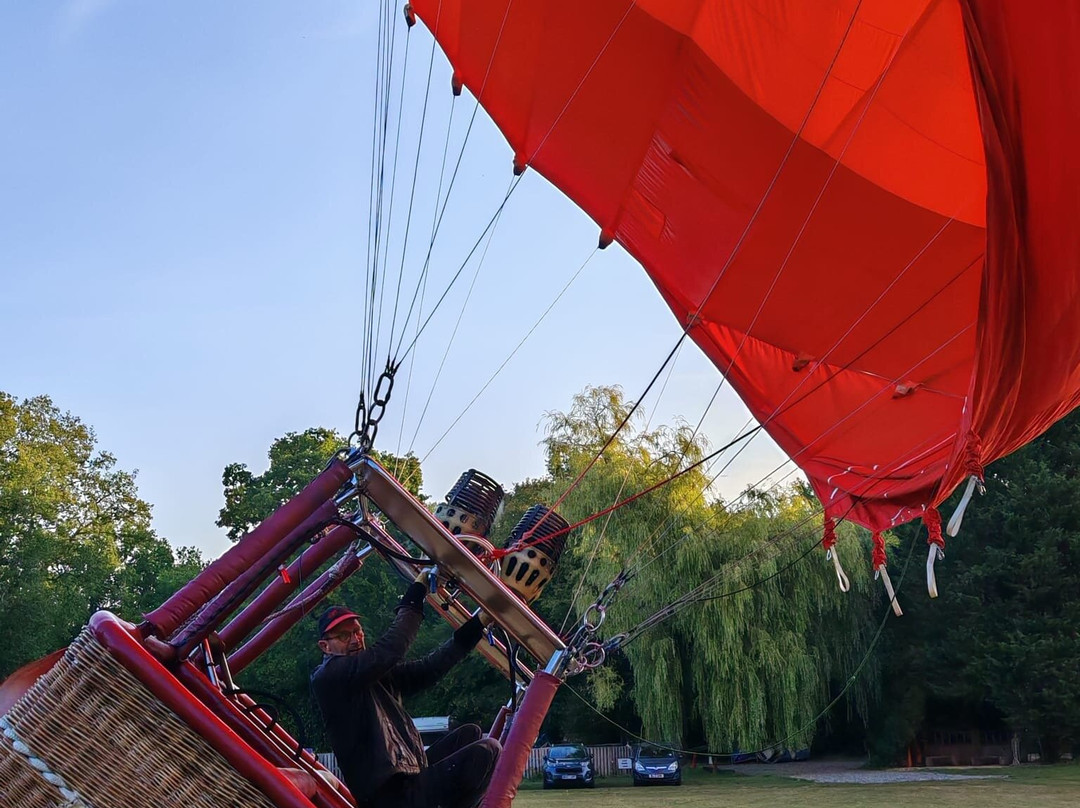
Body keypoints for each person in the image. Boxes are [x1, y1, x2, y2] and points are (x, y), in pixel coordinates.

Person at [311, 569, 501, 808]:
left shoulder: (375, 675)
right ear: (325, 647)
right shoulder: (328, 677)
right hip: (390, 797)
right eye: (343, 635)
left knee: (471, 733)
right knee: (489, 750)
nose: (355, 639)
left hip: (408, 779)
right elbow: (392, 648)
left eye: (357, 631)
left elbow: (430, 667)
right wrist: (416, 592)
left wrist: (478, 623)